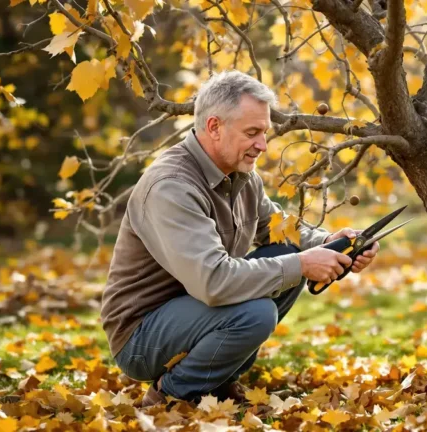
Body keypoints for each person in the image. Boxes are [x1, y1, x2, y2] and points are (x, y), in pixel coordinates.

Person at [99, 70, 379, 407]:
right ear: (214, 127)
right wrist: (303, 263)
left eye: (264, 132)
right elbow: (213, 282)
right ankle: (170, 395)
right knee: (257, 311)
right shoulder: (172, 186)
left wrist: (333, 242)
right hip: (142, 336)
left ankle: (217, 382)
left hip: (194, 311)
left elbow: (280, 230)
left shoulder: (241, 175)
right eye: (252, 133)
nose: (262, 144)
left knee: (287, 255)